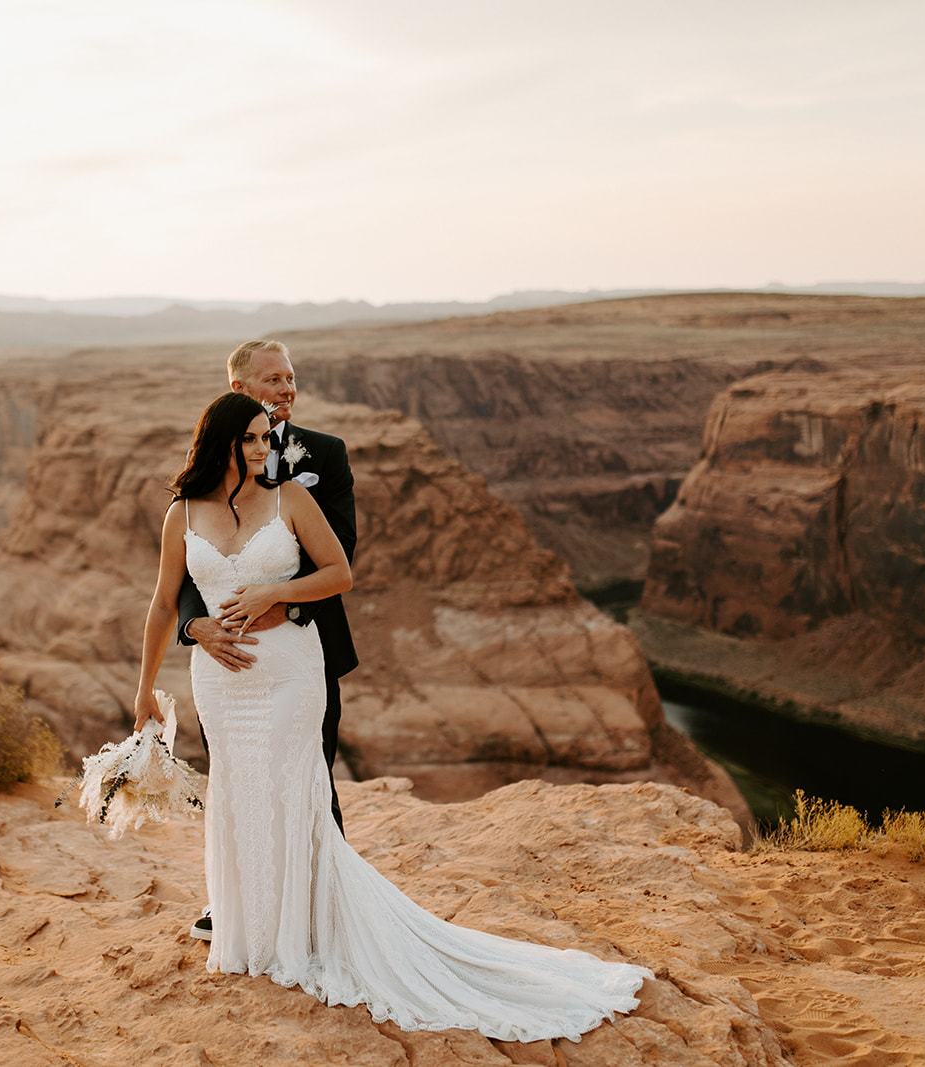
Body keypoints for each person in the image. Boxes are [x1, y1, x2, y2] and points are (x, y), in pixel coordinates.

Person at [131, 391, 652, 1042]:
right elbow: (160, 604)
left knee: (291, 791)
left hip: (290, 668)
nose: (266, 449)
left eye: (269, 438)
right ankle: (251, 934)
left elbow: (338, 573)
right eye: (254, 439)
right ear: (223, 444)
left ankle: (303, 935)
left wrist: (275, 590)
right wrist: (146, 685)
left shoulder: (289, 498)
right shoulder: (180, 513)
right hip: (219, 679)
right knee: (239, 792)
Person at [178, 339, 357, 943]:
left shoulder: (324, 455)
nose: (287, 389)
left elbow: (340, 552)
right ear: (239, 391)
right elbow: (188, 565)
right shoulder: (207, 461)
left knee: (307, 776)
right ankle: (239, 904)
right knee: (236, 775)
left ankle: (319, 902)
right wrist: (192, 625)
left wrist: (273, 595)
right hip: (224, 657)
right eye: (274, 379)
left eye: (291, 378)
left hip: (301, 647)